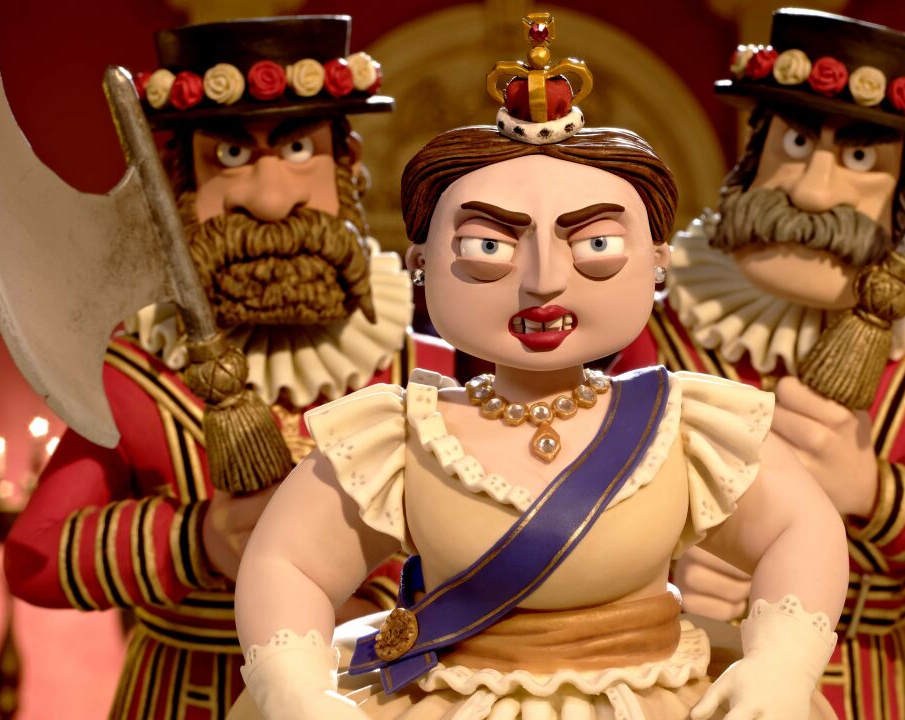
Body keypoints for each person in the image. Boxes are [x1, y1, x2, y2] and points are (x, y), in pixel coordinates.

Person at [229, 15, 848, 720]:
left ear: (656, 261)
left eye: (596, 245)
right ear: (422, 263)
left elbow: (800, 529)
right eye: (490, 247)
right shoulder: (398, 435)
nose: (544, 280)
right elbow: (290, 562)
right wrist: (292, 682)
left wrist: (782, 661)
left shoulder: (685, 424)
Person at [610, 9, 905, 718]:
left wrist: (880, 491)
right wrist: (664, 563)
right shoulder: (659, 344)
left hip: (862, 690)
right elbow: (570, 489)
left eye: (858, 159)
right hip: (683, 681)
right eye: (795, 143)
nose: (811, 191)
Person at [2, 16, 452, 719]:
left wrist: (376, 586)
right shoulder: (140, 369)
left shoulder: (422, 360)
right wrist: (196, 540)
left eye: (298, 149)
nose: (270, 199)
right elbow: (34, 555)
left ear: (345, 164)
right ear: (183, 182)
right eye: (233, 155)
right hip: (187, 696)